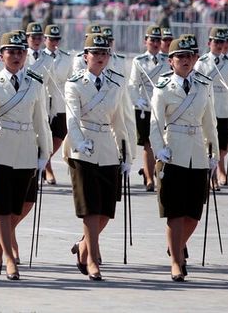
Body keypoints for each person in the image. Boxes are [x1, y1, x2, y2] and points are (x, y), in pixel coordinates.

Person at [0, 32, 51, 280]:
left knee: (22, 205)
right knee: (2, 207)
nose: (16, 56)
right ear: (1, 56)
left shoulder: (35, 83)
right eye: (11, 52)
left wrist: (45, 152)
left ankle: (0, 247)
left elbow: (41, 120)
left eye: (21, 52)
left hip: (26, 149)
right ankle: (10, 259)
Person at [63, 33, 133, 281]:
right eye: (96, 53)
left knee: (106, 209)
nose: (101, 57)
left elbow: (121, 120)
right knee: (90, 207)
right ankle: (92, 259)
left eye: (105, 53)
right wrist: (79, 142)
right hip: (83, 148)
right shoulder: (74, 84)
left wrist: (127, 153)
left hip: (108, 148)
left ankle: (83, 245)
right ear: (86, 56)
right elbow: (72, 118)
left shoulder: (116, 83)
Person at [150, 36, 218, 282]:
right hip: (174, 150)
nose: (185, 60)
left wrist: (213, 153)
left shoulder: (204, 85)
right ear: (171, 61)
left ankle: (176, 246)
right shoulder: (162, 87)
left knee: (193, 213)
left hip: (197, 151)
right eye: (180, 56)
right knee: (175, 211)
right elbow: (155, 123)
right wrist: (159, 149)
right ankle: (176, 261)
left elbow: (209, 122)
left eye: (189, 56)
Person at [128, 25, 168, 191]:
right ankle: (150, 177)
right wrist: (136, 100)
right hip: (145, 107)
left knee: (163, 142)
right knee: (148, 143)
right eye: (152, 40)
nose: (156, 43)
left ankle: (155, 174)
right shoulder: (139, 61)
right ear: (146, 41)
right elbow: (133, 84)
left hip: (162, 107)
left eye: (158, 40)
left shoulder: (167, 60)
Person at [194, 27, 228, 188]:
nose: (219, 45)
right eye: (216, 41)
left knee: (225, 145)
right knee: (210, 144)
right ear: (209, 42)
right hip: (208, 109)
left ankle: (215, 169)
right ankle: (213, 176)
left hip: (225, 109)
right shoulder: (202, 62)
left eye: (222, 42)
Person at [38, 25, 74, 185]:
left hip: (60, 99)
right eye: (51, 39)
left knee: (60, 134)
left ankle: (45, 160)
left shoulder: (66, 57)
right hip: (43, 98)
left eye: (57, 39)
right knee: (44, 133)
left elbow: (71, 78)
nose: (54, 42)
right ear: (45, 39)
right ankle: (47, 168)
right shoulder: (38, 57)